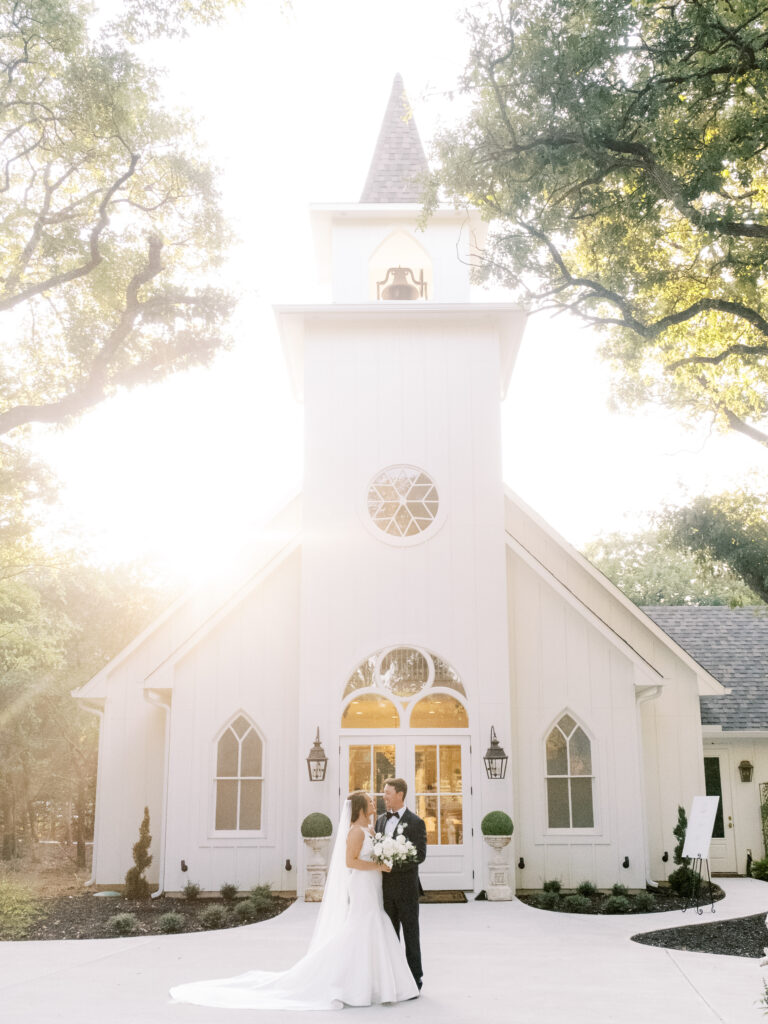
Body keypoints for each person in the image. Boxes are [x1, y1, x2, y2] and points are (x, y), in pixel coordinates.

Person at [169, 791, 418, 1010]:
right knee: (365, 925)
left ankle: (377, 985)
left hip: (372, 884)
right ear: (361, 809)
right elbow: (349, 862)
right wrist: (377, 865)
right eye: (370, 803)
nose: (375, 805)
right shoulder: (355, 832)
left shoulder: (370, 829)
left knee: (374, 925)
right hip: (362, 885)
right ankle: (350, 982)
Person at [376, 777, 428, 991]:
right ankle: (394, 977)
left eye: (387, 793)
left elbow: (420, 855)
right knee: (390, 934)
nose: (384, 796)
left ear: (400, 794)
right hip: (385, 889)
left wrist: (395, 862)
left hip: (406, 889)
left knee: (410, 934)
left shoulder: (416, 822)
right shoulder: (379, 820)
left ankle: (415, 979)